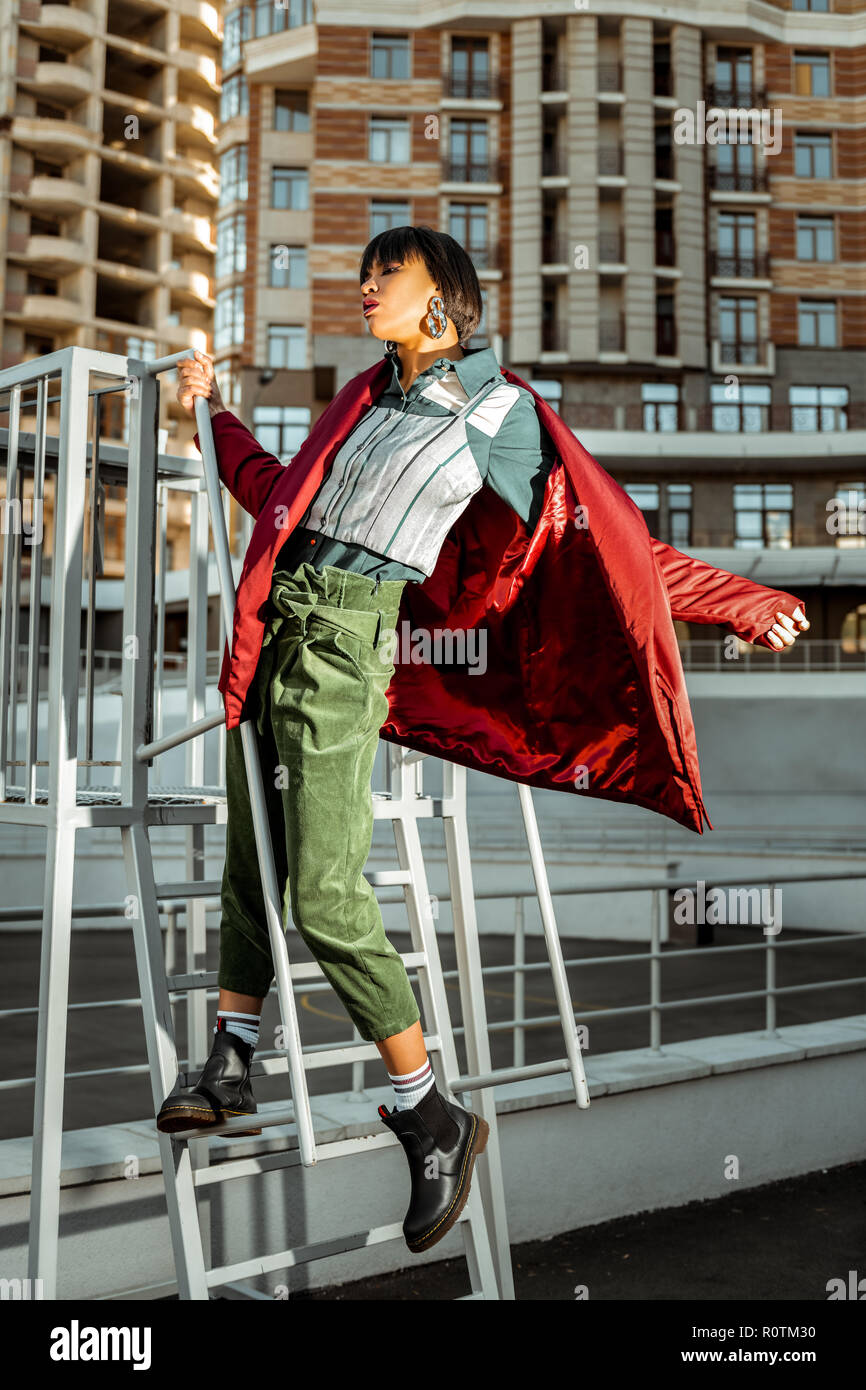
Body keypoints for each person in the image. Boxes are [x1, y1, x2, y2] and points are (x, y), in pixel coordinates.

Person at [156, 226, 564, 1255]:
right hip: (275, 633)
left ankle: (432, 1114)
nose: (366, 282)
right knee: (253, 858)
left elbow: (593, 538)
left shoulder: (500, 409)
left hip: (346, 646)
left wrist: (730, 602)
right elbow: (273, 494)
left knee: (325, 891)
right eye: (363, 268)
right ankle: (231, 1058)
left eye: (387, 269)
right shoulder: (364, 398)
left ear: (446, 296)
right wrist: (209, 409)